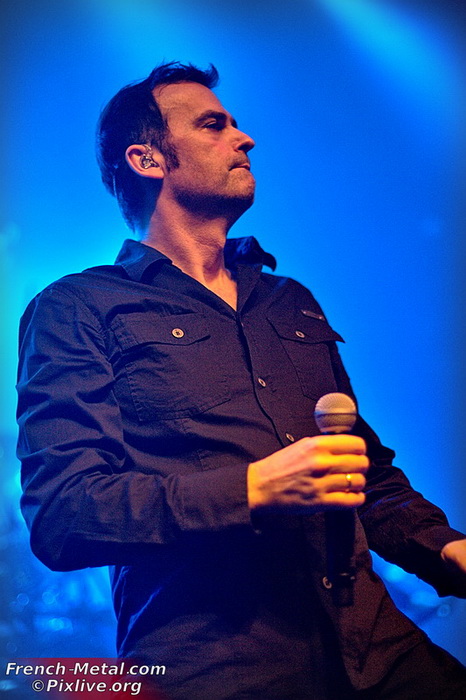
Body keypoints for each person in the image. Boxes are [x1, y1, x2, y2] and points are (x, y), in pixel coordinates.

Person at [17, 62, 466, 699]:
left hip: (380, 652)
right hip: (219, 668)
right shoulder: (78, 307)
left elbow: (363, 474)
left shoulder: (290, 300)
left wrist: (446, 549)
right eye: (213, 124)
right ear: (147, 159)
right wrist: (251, 489)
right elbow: (64, 514)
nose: (245, 137)